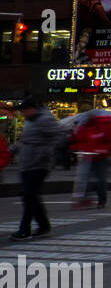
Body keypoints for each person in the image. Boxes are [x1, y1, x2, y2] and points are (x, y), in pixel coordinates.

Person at [11, 96, 64, 240]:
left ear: (32, 109)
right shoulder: (30, 121)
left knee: (29, 195)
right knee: (30, 195)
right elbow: (26, 141)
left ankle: (24, 229)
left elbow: (59, 136)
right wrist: (13, 150)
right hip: (27, 163)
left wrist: (46, 152)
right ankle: (43, 225)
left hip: (39, 164)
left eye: (24, 110)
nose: (22, 114)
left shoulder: (45, 119)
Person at [68, 106, 111, 209]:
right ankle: (86, 198)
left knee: (100, 179)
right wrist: (77, 148)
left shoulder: (103, 126)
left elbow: (110, 140)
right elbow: (78, 140)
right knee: (85, 178)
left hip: (100, 156)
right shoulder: (84, 127)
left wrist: (103, 149)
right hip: (88, 156)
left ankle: (100, 200)